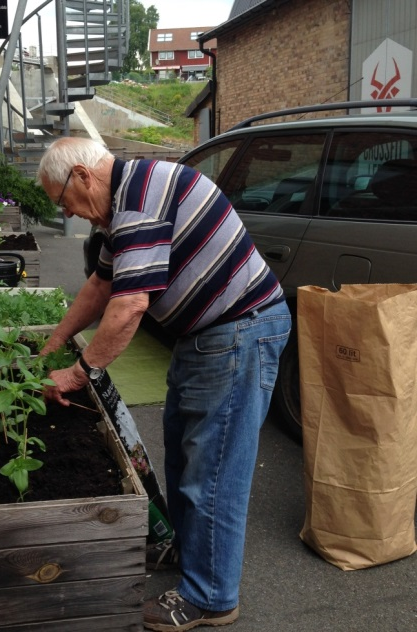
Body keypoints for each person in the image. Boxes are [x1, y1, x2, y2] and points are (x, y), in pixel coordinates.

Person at [36, 137, 291, 630]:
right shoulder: (125, 204)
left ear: (83, 176)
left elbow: (130, 304)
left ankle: (211, 597)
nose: (70, 214)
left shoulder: (140, 201)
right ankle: (194, 557)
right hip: (205, 338)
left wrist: (79, 371)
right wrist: (54, 341)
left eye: (61, 201)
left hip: (239, 333)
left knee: (212, 471)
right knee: (183, 455)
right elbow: (101, 285)